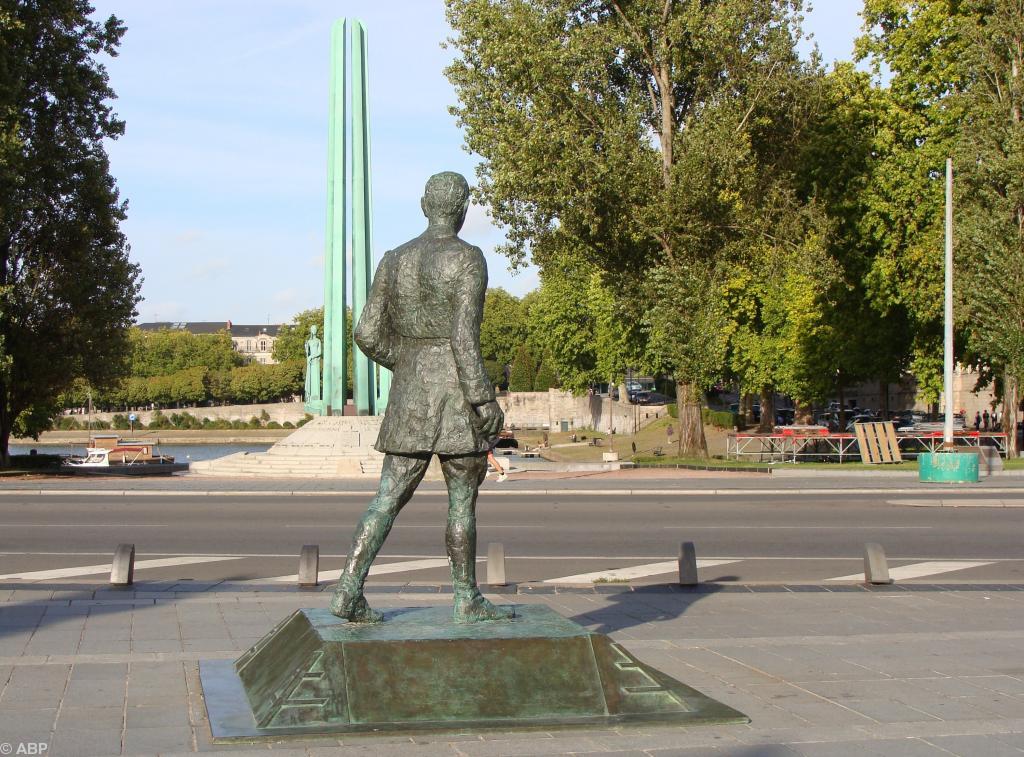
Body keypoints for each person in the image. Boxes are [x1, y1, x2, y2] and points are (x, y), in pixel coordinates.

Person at [329, 172, 510, 625]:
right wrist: (484, 400)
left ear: (423, 204)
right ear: (463, 208)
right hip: (455, 397)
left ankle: (349, 588)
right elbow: (463, 336)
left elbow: (366, 333)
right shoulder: (468, 259)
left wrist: (408, 360)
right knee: (462, 501)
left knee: (387, 497)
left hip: (410, 393)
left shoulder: (394, 260)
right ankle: (466, 598)